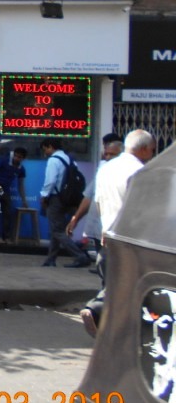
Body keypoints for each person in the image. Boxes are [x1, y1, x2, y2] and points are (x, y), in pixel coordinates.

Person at [79, 129, 156, 337]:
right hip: (131, 238)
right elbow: (142, 208)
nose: (152, 153)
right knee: (128, 283)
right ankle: (96, 309)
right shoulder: (140, 172)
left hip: (108, 235)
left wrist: (105, 227)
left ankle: (113, 329)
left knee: (114, 280)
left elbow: (99, 202)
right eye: (151, 149)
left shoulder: (106, 169)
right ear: (143, 149)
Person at [66, 133, 123, 263]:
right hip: (100, 229)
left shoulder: (130, 172)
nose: (108, 157)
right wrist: (75, 219)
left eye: (112, 155)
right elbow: (89, 196)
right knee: (104, 266)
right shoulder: (102, 171)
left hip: (118, 230)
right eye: (106, 154)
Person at [39, 138, 91, 268]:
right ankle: (51, 259)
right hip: (68, 198)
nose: (45, 152)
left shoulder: (54, 160)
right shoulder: (70, 160)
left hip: (56, 198)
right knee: (56, 229)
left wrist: (44, 195)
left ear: (50, 146)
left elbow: (50, 181)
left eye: (45, 149)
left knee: (57, 230)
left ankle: (80, 256)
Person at [0, 146, 28, 244]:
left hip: (6, 190)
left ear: (23, 158)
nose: (16, 158)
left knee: (7, 213)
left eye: (19, 157)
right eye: (16, 156)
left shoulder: (21, 169)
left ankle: (6, 237)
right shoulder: (4, 160)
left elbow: (21, 185)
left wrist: (24, 200)